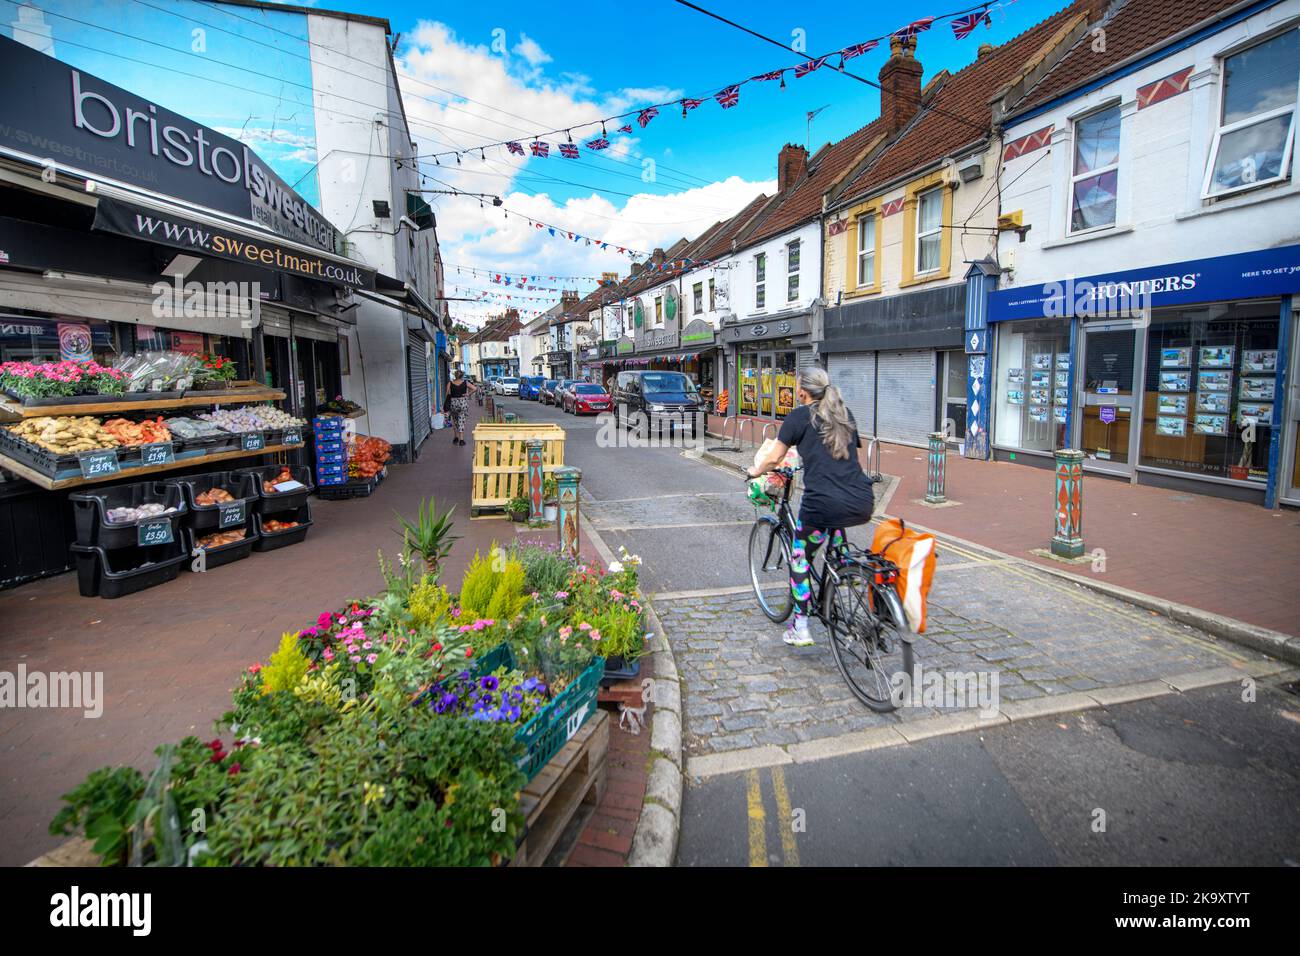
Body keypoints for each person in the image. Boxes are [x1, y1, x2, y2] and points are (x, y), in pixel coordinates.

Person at [747, 366, 874, 647]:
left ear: (801, 390)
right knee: (834, 536)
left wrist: (756, 470)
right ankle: (843, 573)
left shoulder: (799, 417)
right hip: (861, 499)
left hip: (823, 504)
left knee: (800, 557)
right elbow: (839, 452)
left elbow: (774, 458)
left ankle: (801, 626)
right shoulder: (844, 414)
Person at [445, 369, 476, 446]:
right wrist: (468, 394)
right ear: (462, 376)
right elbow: (475, 388)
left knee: (455, 420)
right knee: (461, 420)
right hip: (462, 403)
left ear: (455, 375)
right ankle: (461, 439)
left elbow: (447, 394)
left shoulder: (450, 383)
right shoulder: (465, 383)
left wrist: (446, 405)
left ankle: (456, 437)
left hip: (453, 403)